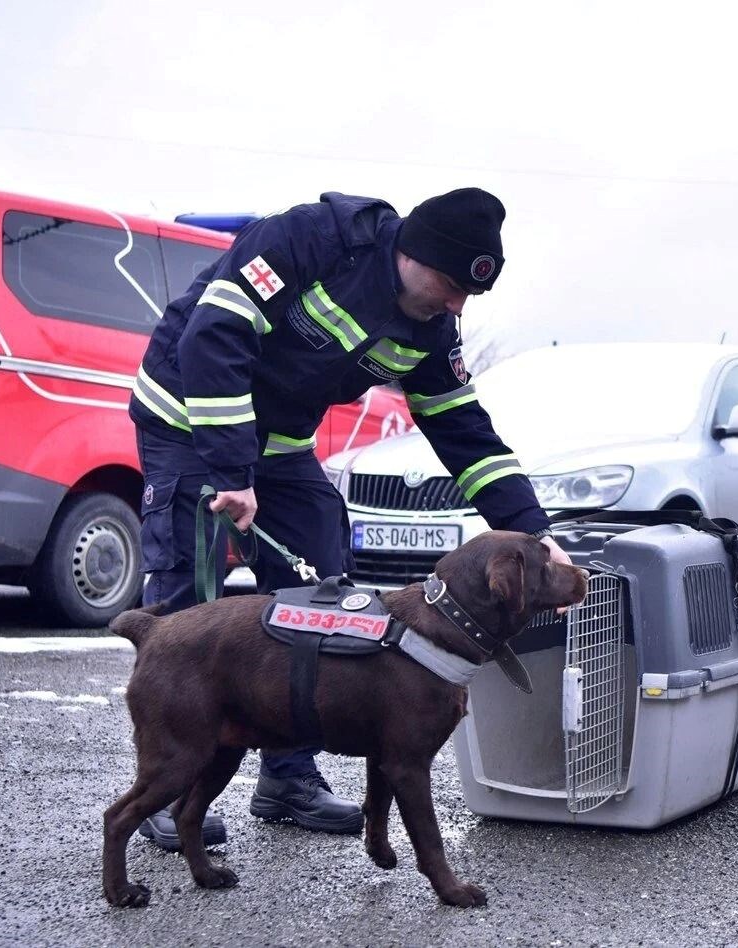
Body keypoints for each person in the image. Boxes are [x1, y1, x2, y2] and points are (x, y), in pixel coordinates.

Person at [128, 187, 572, 849]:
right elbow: (213, 335)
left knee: (321, 592)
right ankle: (169, 787)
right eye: (452, 286)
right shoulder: (310, 240)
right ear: (413, 254)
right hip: (190, 420)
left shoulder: (430, 329)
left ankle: (288, 775)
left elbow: (466, 434)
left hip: (280, 444)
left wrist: (536, 534)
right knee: (189, 598)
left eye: (469, 296)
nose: (456, 306)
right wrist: (231, 469)